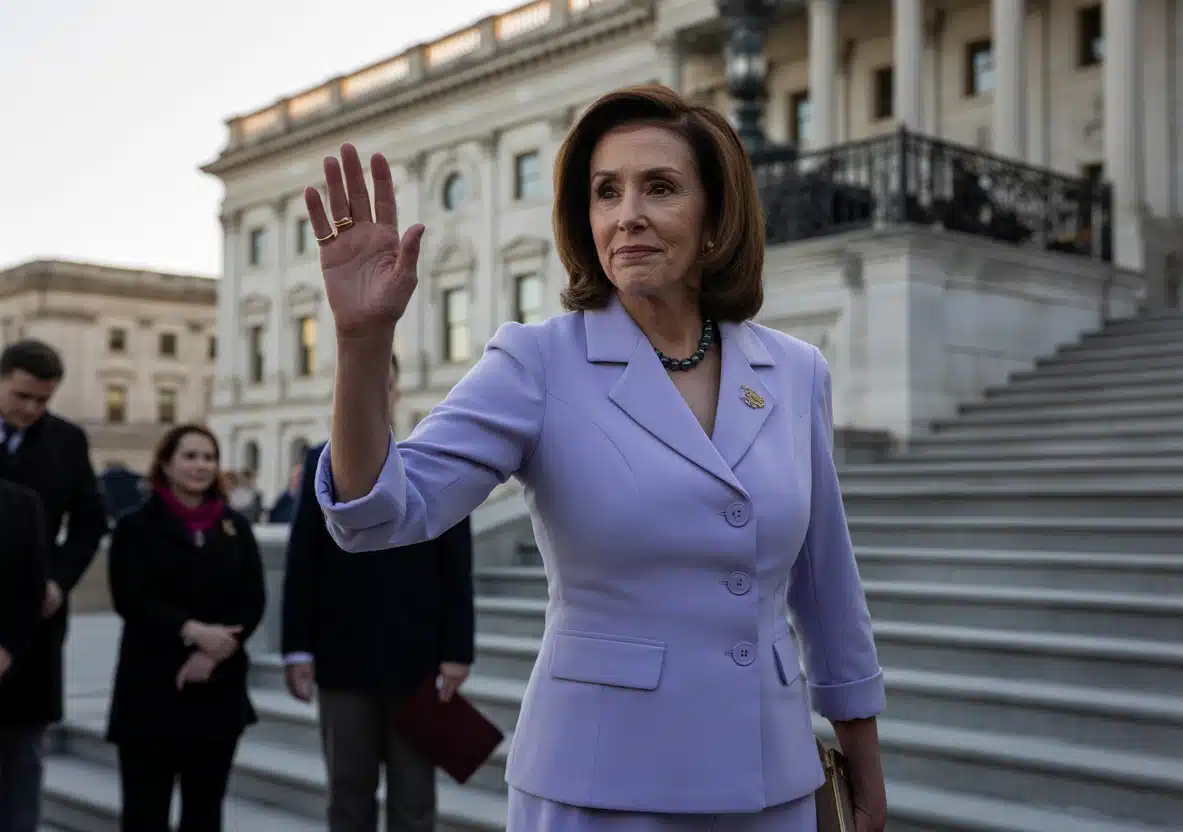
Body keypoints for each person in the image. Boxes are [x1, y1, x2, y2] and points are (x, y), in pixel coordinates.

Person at [304, 84, 887, 831]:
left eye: (661, 188)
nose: (627, 213)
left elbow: (828, 587)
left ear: (717, 218)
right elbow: (378, 514)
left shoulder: (798, 370)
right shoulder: (536, 361)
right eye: (605, 192)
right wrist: (361, 344)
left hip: (771, 783)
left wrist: (863, 767)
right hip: (598, 788)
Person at [281, 352, 474, 832]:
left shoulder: (430, 462)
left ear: (396, 393)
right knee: (347, 796)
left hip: (418, 663)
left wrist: (457, 652)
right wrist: (296, 648)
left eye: (380, 384)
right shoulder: (318, 465)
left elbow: (456, 568)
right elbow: (301, 562)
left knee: (414, 800)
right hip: (342, 662)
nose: (370, 394)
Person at [105, 424, 267, 832]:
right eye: (190, 456)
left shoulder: (235, 527)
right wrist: (191, 630)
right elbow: (131, 599)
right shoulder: (134, 527)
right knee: (145, 812)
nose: (201, 465)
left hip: (218, 689)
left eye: (209, 457)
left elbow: (253, 600)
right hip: (152, 687)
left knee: (205, 811)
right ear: (165, 463)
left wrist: (212, 652)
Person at [0, 339, 109, 831]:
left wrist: (59, 581)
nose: (32, 409)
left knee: (23, 752)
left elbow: (89, 522)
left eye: (43, 400)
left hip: (35, 620)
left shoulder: (67, 440)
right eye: (22, 396)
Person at [0, 480, 49, 832]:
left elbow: (33, 587)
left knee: (18, 777)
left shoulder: (22, 503)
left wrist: (6, 648)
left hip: (13, 672)